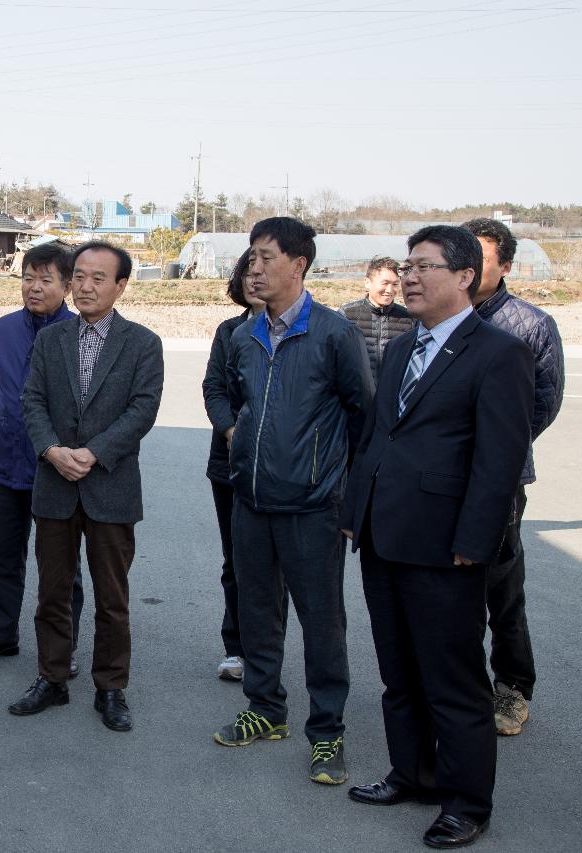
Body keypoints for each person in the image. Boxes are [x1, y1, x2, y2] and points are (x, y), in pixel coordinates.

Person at [342, 225, 534, 850]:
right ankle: (412, 773)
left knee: (452, 678)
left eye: (425, 267)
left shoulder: (498, 353)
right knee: (399, 671)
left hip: (446, 545)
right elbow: (376, 437)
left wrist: (475, 539)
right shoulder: (402, 347)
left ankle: (466, 801)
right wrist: (356, 510)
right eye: (408, 264)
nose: (410, 277)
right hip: (384, 535)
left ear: (464, 277)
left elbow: (498, 460)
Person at [213, 217, 372, 787]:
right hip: (251, 501)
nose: (252, 268)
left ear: (298, 265)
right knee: (257, 612)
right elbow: (227, 393)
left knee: (322, 623)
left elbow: (363, 415)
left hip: (312, 506)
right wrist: (233, 433)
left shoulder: (333, 332)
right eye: (250, 258)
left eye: (264, 258)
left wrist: (348, 497)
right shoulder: (243, 334)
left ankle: (327, 732)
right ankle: (266, 709)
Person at [8, 240, 164, 732]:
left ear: (121, 285)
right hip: (55, 484)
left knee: (111, 598)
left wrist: (94, 453)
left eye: (99, 278)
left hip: (110, 486)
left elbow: (142, 409)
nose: (86, 286)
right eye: (79, 276)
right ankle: (51, 678)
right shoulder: (51, 341)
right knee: (52, 591)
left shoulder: (142, 343)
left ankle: (111, 688)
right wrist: (51, 450)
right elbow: (31, 401)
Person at [461, 217, 565, 737]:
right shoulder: (436, 318)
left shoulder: (530, 324)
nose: (470, 266)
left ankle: (512, 688)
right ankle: (461, 687)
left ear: (504, 265)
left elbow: (543, 405)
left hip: (500, 480)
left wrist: (495, 453)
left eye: (481, 257)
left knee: (501, 586)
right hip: (440, 478)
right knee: (447, 587)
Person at [0, 243, 85, 675]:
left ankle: (60, 650)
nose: (34, 287)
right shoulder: (2, 329)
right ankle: (0, 636)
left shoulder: (79, 333)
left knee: (61, 567)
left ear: (67, 286)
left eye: (46, 280)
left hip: (57, 469)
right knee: (1, 556)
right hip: (4, 460)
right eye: (28, 278)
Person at [201, 248, 264, 683]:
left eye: (263, 270)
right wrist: (231, 432)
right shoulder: (229, 331)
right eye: (246, 272)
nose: (254, 279)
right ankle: (238, 648)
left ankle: (267, 647)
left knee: (278, 564)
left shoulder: (318, 329)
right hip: (230, 462)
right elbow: (214, 387)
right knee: (236, 559)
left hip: (287, 466)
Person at [339, 256, 414, 382]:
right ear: (367, 282)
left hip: (391, 396)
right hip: (355, 395)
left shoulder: (408, 318)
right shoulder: (347, 315)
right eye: (385, 283)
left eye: (395, 284)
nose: (390, 290)